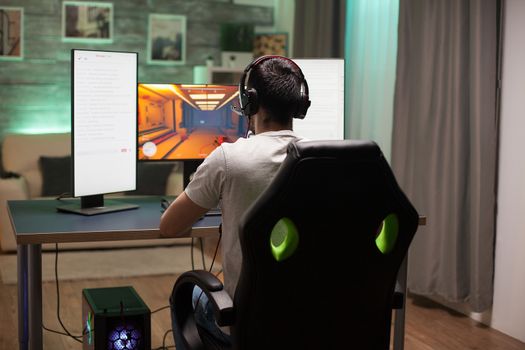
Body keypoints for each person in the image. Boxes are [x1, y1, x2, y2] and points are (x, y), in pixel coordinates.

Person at [159, 55, 310, 348]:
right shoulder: (320, 160)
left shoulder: (228, 159)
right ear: (299, 104)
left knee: (187, 296)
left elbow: (170, 226)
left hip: (246, 322)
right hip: (306, 318)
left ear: (249, 101)